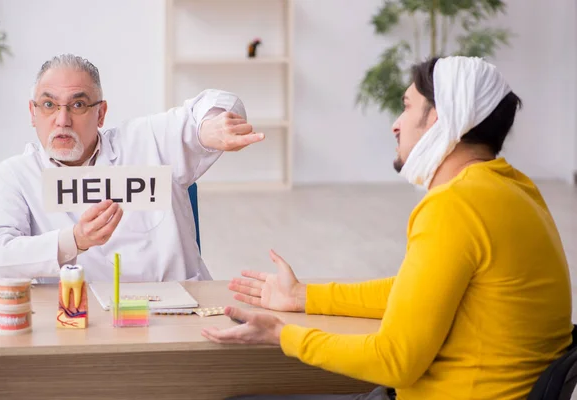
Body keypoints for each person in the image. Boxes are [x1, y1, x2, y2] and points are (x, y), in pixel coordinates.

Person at [201, 56, 573, 400]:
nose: (396, 123)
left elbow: (395, 360)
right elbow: (416, 292)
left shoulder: (456, 205)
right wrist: (302, 297)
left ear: (442, 118)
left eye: (407, 106)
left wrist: (281, 334)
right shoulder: (515, 188)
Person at [0, 54, 264, 283]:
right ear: (33, 112)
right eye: (49, 104)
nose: (62, 119)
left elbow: (221, 100)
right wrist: (75, 240)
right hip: (79, 323)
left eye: (78, 104)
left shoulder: (147, 140)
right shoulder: (16, 174)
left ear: (101, 113)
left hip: (177, 313)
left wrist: (208, 126)